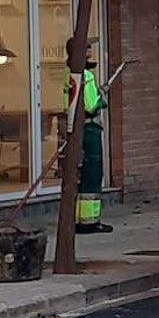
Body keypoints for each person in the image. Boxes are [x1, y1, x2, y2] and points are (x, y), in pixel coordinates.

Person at [65, 38, 112, 234]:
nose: (91, 50)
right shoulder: (86, 76)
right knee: (93, 175)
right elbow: (91, 106)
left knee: (81, 175)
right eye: (88, 47)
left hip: (77, 131)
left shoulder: (70, 75)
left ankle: (79, 219)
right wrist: (102, 98)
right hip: (90, 131)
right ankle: (90, 221)